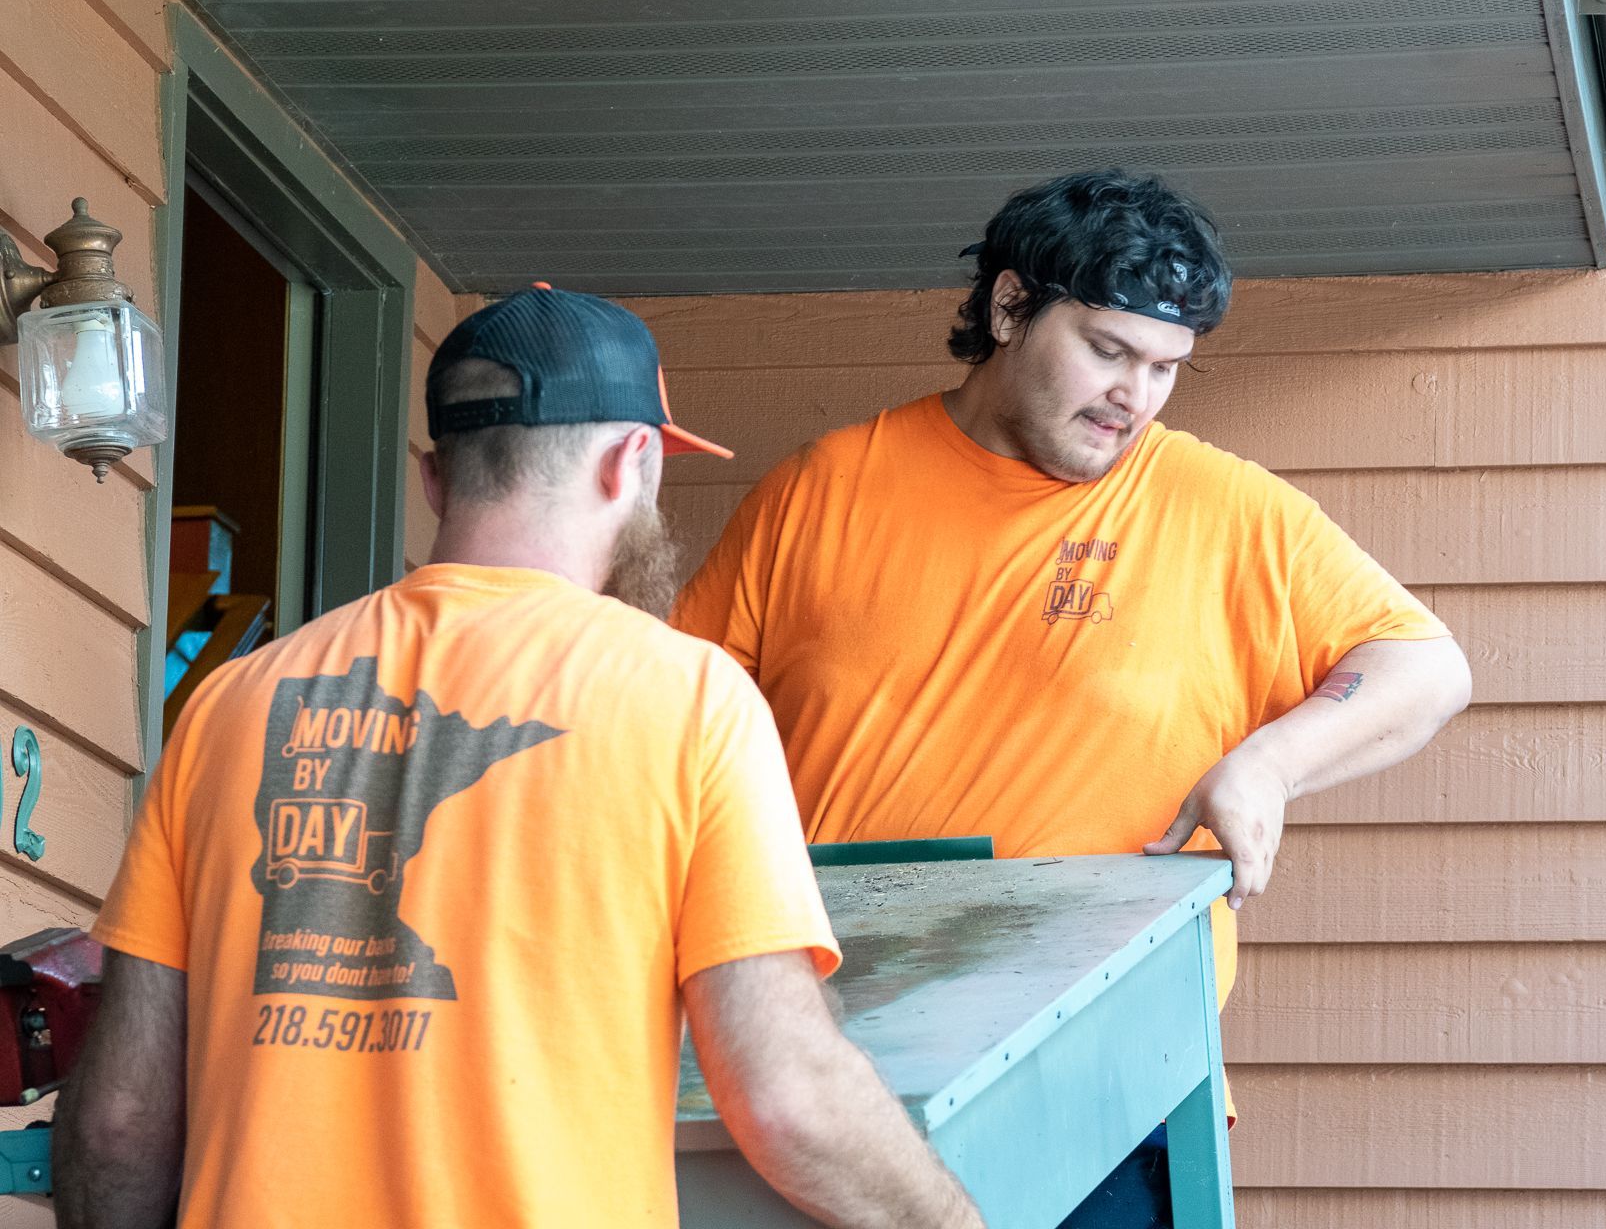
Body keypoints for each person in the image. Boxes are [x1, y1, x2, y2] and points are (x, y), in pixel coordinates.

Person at [54, 287, 981, 1229]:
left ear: (434, 479)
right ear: (630, 463)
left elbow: (122, 1121)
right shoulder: (688, 698)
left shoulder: (230, 705)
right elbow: (790, 1097)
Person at [674, 170, 1474, 1225]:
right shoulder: (819, 491)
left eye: (1165, 367)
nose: (1134, 396)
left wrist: (1270, 762)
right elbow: (676, 738)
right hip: (836, 1086)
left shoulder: (1222, 511)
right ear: (1011, 307)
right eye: (1108, 350)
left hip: (1112, 1088)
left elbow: (1427, 666)